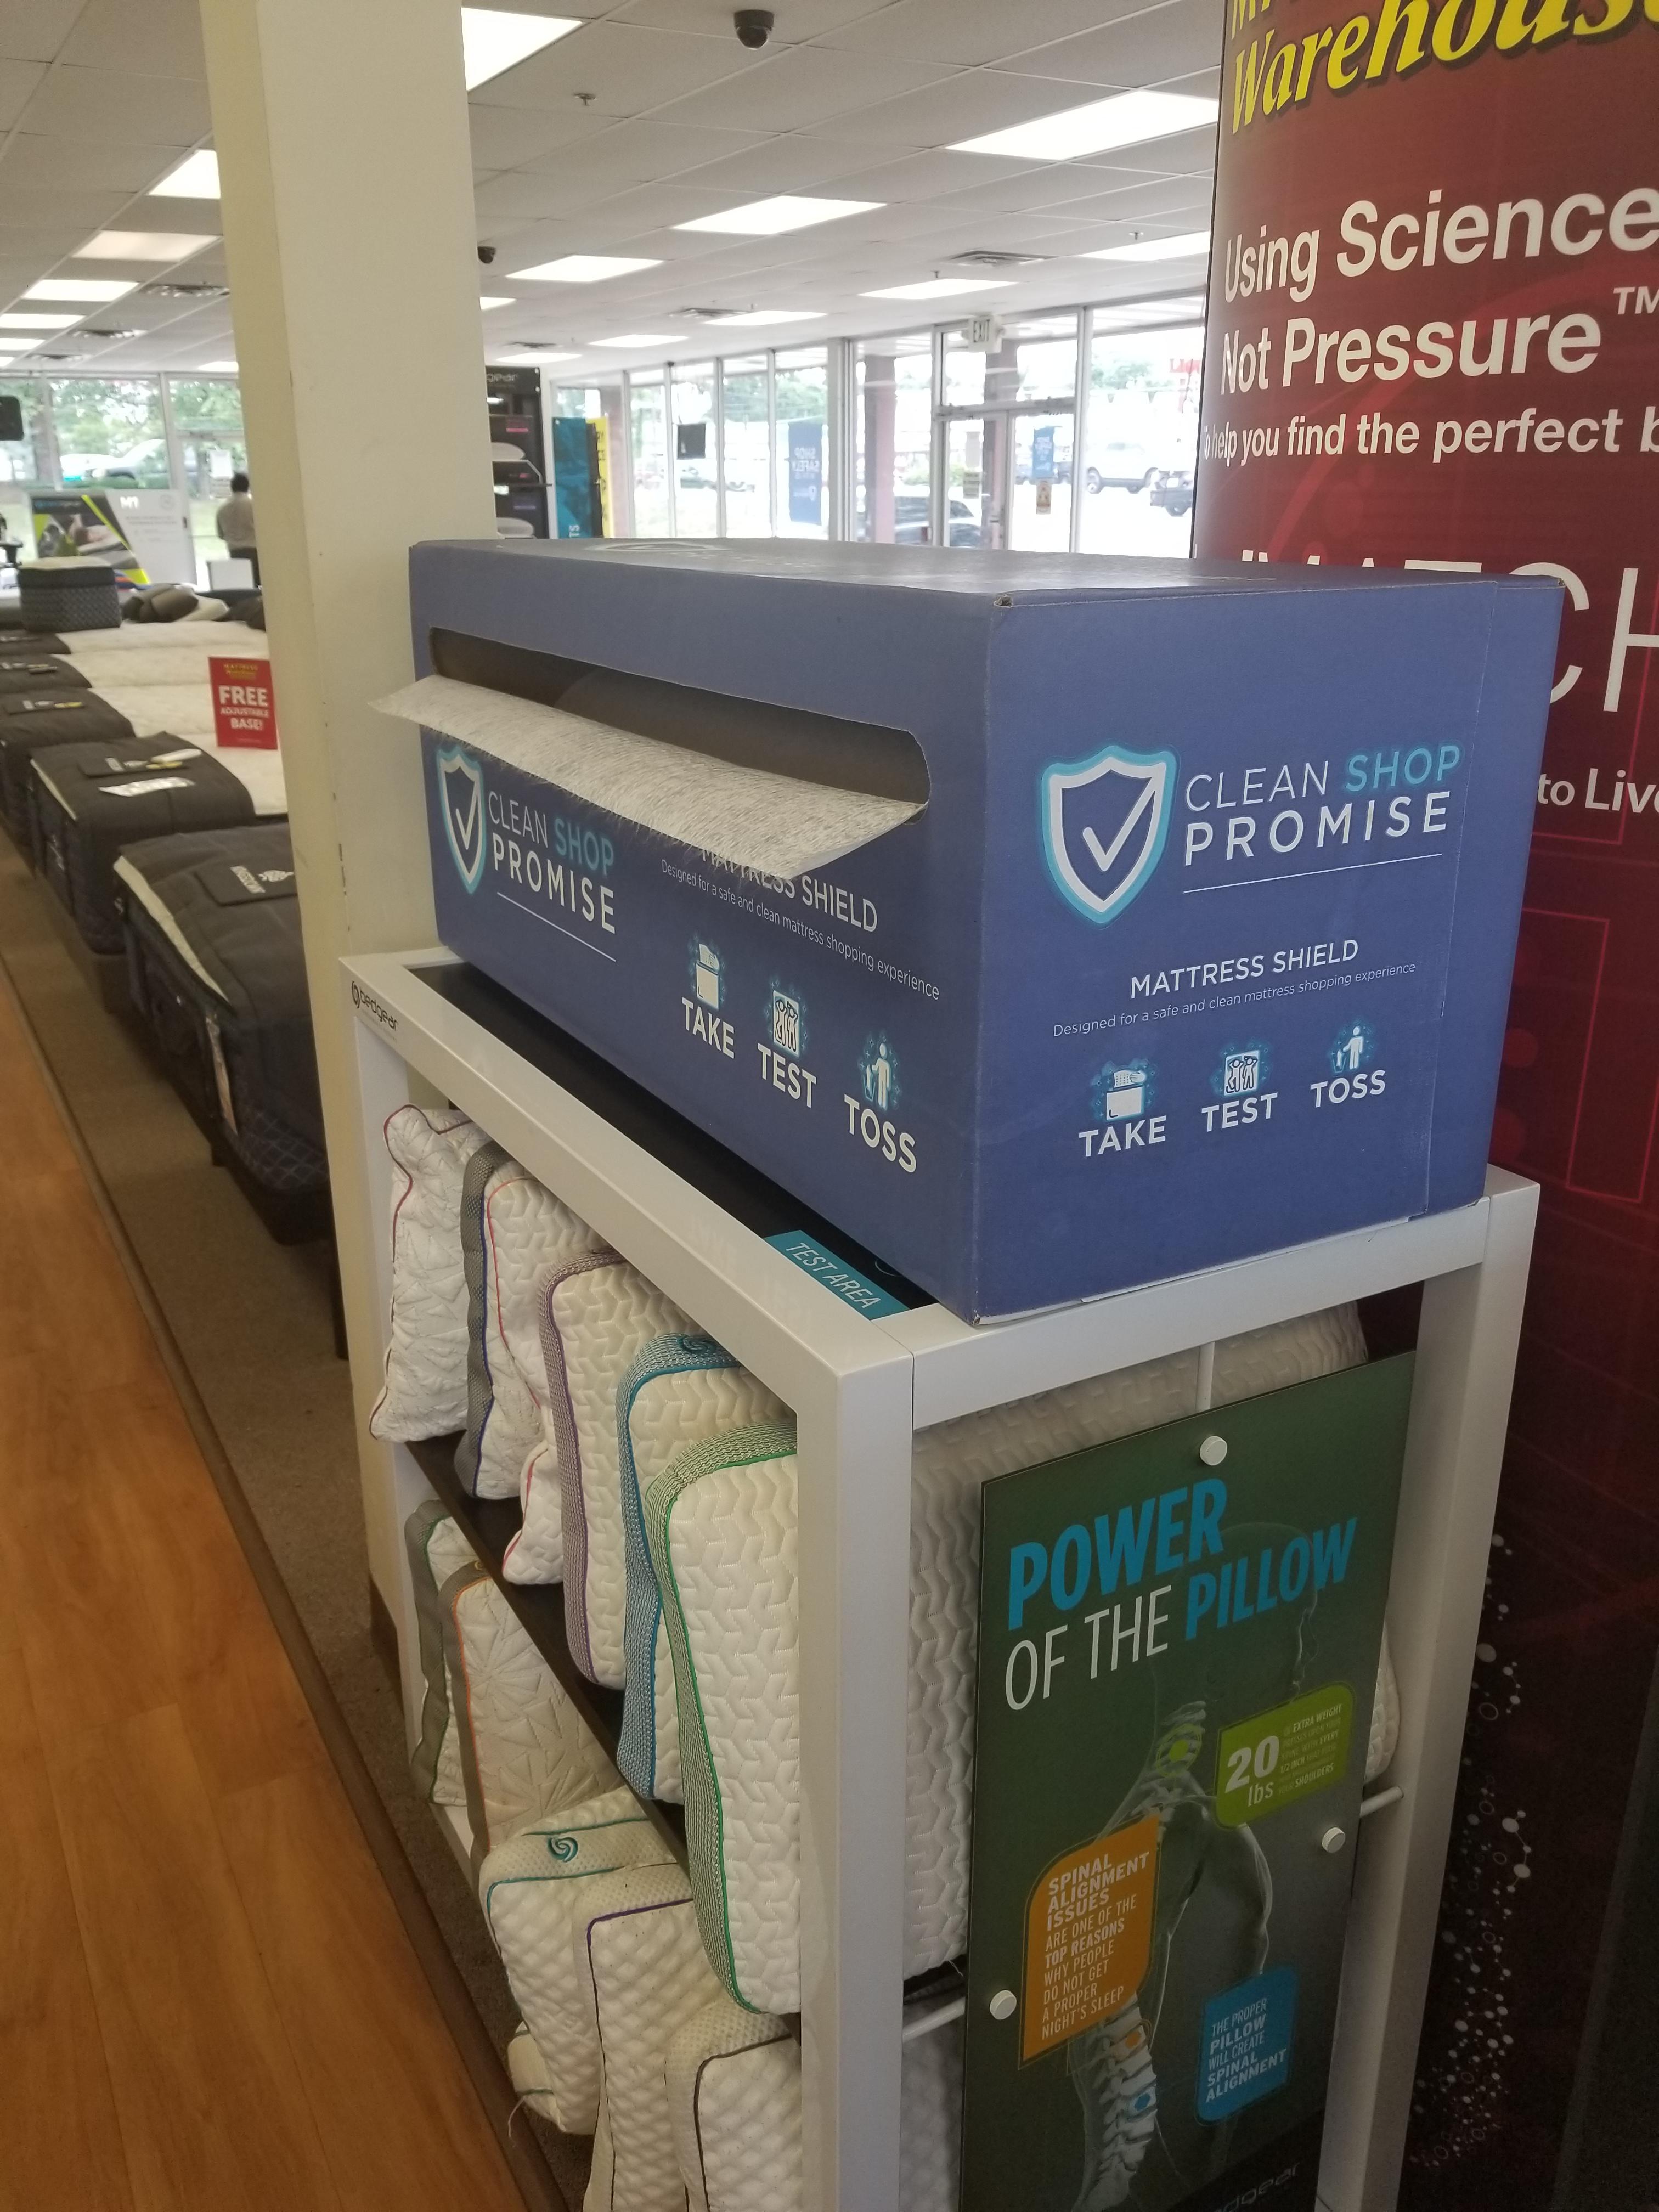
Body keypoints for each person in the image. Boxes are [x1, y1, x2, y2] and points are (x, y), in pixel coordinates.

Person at [215, 471, 258, 583]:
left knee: (243, 583)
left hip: (235, 552)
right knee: (258, 584)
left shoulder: (222, 508)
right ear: (248, 486)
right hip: (255, 551)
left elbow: (220, 535)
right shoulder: (254, 506)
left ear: (232, 487)